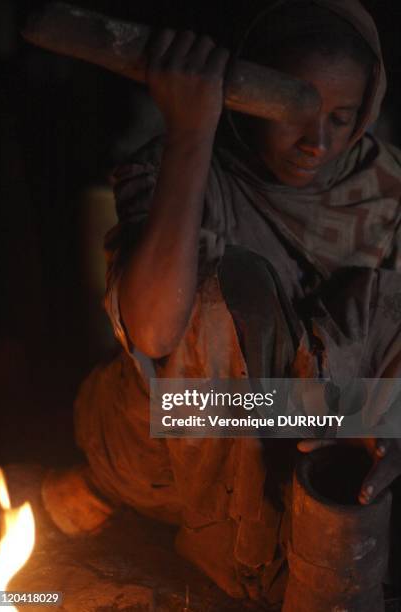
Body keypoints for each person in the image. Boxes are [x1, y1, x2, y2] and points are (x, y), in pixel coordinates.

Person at [42, 0, 401, 608]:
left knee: (383, 304)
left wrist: (385, 419)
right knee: (226, 294)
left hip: (315, 450)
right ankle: (242, 558)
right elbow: (156, 334)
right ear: (242, 97)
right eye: (295, 111)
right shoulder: (178, 169)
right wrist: (191, 133)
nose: (318, 142)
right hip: (174, 446)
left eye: (342, 118)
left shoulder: (386, 187)